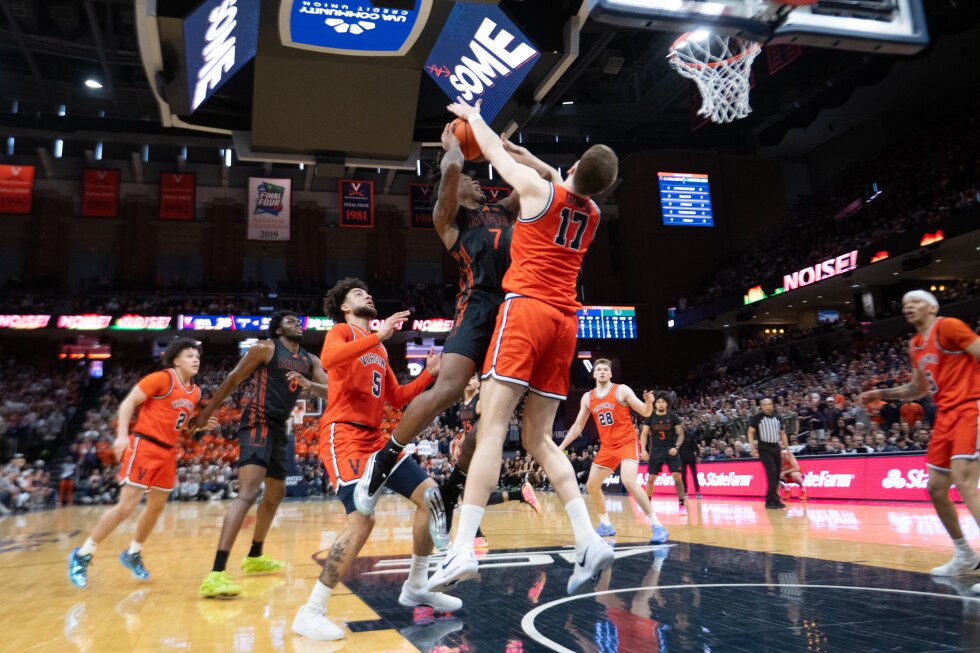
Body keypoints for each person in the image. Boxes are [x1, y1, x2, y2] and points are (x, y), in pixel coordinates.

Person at [427, 97, 620, 596]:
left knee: (492, 429)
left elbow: (492, 152)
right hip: (566, 325)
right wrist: (524, 150)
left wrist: (473, 119)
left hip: (526, 312)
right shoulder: (593, 213)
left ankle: (462, 548)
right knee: (539, 439)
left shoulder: (537, 192)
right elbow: (553, 172)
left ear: (571, 168)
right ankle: (587, 538)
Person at [354, 123, 528, 543]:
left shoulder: (503, 212)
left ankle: (452, 492)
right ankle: (385, 459)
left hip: (512, 311)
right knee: (447, 390)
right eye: (472, 176)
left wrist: (503, 149)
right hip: (477, 307)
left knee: (493, 422)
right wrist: (454, 149)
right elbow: (451, 174)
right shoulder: (449, 218)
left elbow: (531, 182)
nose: (475, 179)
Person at [292, 278, 460, 642]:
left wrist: (429, 376)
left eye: (367, 291)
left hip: (375, 438)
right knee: (362, 521)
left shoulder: (379, 351)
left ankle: (416, 585)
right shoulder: (342, 332)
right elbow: (328, 359)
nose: (366, 295)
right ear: (345, 308)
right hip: (344, 436)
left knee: (432, 499)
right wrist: (379, 335)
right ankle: (311, 610)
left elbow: (396, 399)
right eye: (357, 294)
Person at [194, 311, 327, 598]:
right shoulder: (265, 348)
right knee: (249, 492)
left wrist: (311, 385)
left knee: (276, 493)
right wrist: (206, 413)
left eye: (298, 321)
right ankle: (216, 573)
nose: (297, 324)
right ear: (277, 329)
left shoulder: (310, 360)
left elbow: (332, 391)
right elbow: (232, 380)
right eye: (289, 321)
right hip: (257, 421)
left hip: (280, 427)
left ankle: (255, 555)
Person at [68, 339, 217, 588]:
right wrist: (121, 435)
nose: (196, 360)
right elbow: (128, 403)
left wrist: (198, 425)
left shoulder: (196, 391)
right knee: (126, 508)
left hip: (169, 452)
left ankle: (133, 552)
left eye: (198, 357)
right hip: (145, 446)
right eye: (190, 356)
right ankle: (82, 554)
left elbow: (182, 425)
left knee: (157, 507)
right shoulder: (161, 378)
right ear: (176, 360)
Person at [859, 290, 980, 586]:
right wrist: (882, 393)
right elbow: (918, 388)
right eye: (904, 304)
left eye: (914, 302)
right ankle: (965, 554)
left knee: (965, 481)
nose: (907, 307)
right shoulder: (914, 343)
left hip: (970, 408)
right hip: (945, 416)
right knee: (936, 488)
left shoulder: (948, 326)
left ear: (931, 306)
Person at [557, 359, 665, 543]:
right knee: (592, 485)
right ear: (593, 374)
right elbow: (577, 427)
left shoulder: (621, 390)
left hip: (627, 442)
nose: (601, 372)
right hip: (607, 446)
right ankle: (605, 524)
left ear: (610, 374)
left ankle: (657, 525)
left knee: (629, 480)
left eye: (605, 369)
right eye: (598, 369)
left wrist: (648, 404)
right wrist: (561, 447)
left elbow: (645, 412)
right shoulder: (587, 397)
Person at [640, 395, 687, 513]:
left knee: (677, 476)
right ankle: (647, 504)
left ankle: (682, 504)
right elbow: (644, 434)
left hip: (671, 448)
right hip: (656, 449)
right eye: (658, 402)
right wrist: (643, 450)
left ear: (667, 404)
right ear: (655, 404)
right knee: (651, 478)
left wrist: (676, 447)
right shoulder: (650, 417)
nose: (661, 404)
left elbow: (681, 434)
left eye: (663, 402)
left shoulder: (674, 417)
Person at [747, 398, 789, 509]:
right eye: (765, 404)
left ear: (772, 405)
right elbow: (750, 433)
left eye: (769, 404)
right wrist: (752, 448)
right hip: (764, 448)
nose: (767, 406)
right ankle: (773, 501)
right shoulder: (757, 418)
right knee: (772, 472)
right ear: (761, 406)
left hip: (776, 447)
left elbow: (783, 434)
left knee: (776, 475)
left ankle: (771, 500)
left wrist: (787, 448)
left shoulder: (778, 418)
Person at [678, 419, 702, 499]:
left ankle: (697, 491)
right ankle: (685, 492)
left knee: (694, 474)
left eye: (683, 425)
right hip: (682, 459)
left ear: (685, 426)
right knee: (683, 476)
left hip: (691, 458)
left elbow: (696, 446)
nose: (682, 427)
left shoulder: (690, 435)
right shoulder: (677, 437)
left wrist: (698, 455)